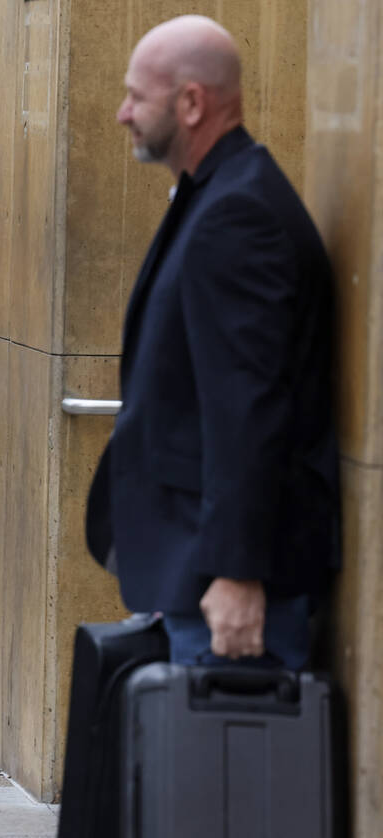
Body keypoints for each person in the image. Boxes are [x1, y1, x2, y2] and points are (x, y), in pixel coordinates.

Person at [85, 16, 340, 670]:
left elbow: (249, 409)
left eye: (137, 97)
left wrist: (235, 575)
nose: (122, 113)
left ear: (192, 103)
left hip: (224, 585)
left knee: (230, 768)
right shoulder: (217, 195)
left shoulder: (239, 214)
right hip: (190, 570)